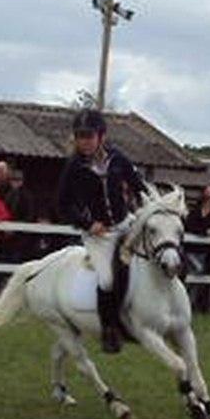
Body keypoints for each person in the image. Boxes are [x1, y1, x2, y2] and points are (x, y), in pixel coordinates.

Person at [56, 108, 147, 353]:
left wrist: (148, 206)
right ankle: (109, 328)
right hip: (99, 234)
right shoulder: (73, 166)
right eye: (80, 136)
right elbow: (62, 204)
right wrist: (87, 224)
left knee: (157, 251)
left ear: (102, 136)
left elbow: (138, 185)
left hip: (125, 223)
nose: (84, 141)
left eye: (89, 136)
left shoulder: (118, 159)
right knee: (107, 280)